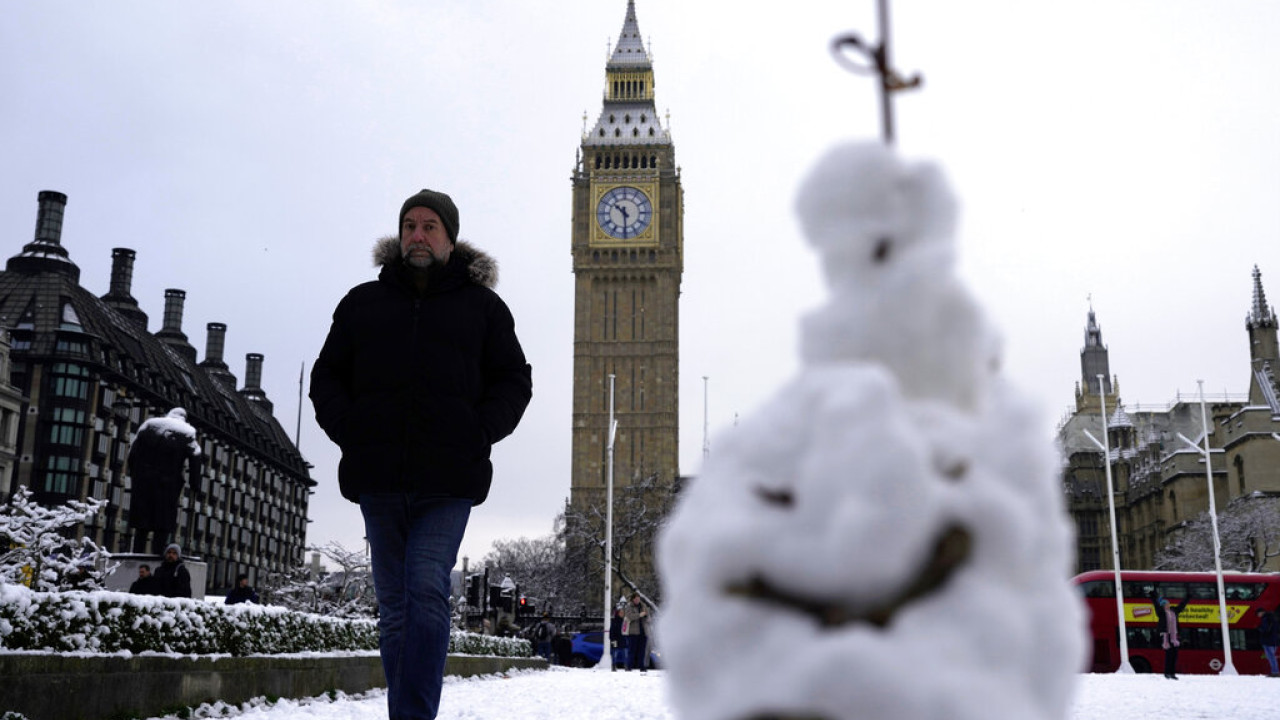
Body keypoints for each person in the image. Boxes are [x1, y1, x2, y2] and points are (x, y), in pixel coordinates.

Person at [310, 188, 532, 720]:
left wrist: (478, 433)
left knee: (427, 591)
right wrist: (350, 431)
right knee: (393, 608)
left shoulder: (484, 308)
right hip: (378, 476)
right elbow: (327, 378)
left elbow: (514, 381)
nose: (418, 234)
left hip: (449, 480)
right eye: (410, 225)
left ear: (451, 240)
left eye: (430, 226)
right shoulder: (363, 302)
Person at [126, 408, 202, 555]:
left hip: (144, 483)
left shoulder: (148, 426)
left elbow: (132, 453)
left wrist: (135, 474)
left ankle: (137, 554)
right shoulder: (186, 432)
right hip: (168, 485)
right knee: (163, 524)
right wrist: (195, 484)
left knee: (142, 525)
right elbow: (196, 456)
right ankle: (157, 554)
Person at [1151, 587, 1188, 679]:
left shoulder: (1174, 611)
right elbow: (1156, 605)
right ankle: (1167, 673)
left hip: (1174, 637)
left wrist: (1187, 598)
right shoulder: (1161, 613)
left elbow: (1181, 606)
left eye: (1168, 604)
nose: (1168, 605)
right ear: (1163, 606)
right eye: (1167, 604)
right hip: (1166, 637)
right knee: (1169, 656)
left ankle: (1172, 673)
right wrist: (1153, 596)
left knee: (1174, 656)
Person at [623, 592, 650, 672]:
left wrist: (646, 616)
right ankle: (629, 666)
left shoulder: (643, 606)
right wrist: (639, 615)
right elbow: (629, 616)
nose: (638, 600)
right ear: (633, 599)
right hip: (633, 632)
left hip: (643, 632)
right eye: (636, 599)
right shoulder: (629, 606)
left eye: (639, 598)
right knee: (632, 650)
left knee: (642, 651)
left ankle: (642, 667)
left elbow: (648, 617)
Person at [1257, 606, 1279, 677]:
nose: (1258, 615)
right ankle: (1275, 671)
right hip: (1274, 641)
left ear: (1261, 612)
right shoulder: (1272, 618)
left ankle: (1275, 672)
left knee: (1271, 657)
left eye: (1258, 613)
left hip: (1268, 641)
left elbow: (1266, 630)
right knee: (1272, 656)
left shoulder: (1265, 619)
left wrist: (1259, 628)